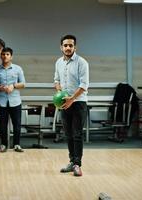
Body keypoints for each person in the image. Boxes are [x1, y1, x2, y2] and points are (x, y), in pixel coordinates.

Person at [54, 34, 89, 176]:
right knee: (68, 134)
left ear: (75, 47)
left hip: (78, 103)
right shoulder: (58, 62)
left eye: (71, 45)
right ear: (61, 47)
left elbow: (84, 85)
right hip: (64, 103)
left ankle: (77, 164)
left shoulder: (82, 63)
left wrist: (71, 99)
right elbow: (56, 80)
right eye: (65, 45)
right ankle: (71, 161)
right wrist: (60, 94)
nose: (68, 48)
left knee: (77, 134)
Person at [0, 47, 26, 153]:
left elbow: (23, 84)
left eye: (7, 54)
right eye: (3, 54)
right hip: (1, 100)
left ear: (11, 56)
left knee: (17, 124)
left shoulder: (18, 69)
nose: (5, 56)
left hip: (15, 101)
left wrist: (13, 85)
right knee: (2, 124)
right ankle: (3, 144)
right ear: (0, 56)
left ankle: (17, 144)